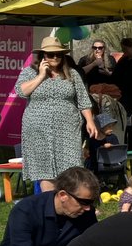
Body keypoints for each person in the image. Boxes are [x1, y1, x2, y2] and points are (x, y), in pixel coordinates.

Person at [16, 35, 100, 192]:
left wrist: (90, 121)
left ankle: (74, 205)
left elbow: (83, 100)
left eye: (59, 54)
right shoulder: (30, 72)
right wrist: (41, 75)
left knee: (72, 167)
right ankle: (50, 206)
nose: (55, 57)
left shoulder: (72, 74)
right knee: (45, 170)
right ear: (42, 56)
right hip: (38, 130)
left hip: (67, 128)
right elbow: (21, 91)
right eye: (50, 54)